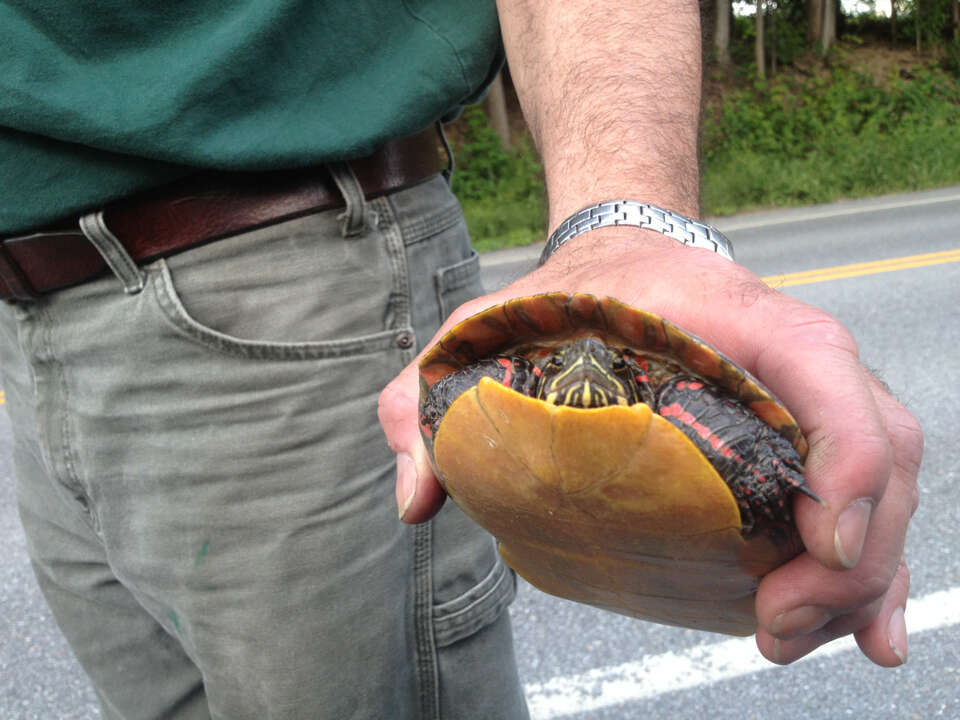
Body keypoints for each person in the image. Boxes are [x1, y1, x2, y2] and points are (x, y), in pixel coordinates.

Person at [0, 3, 919, 720]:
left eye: (590, 364)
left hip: (277, 263)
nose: (580, 367)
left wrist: (625, 214)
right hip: (31, 319)